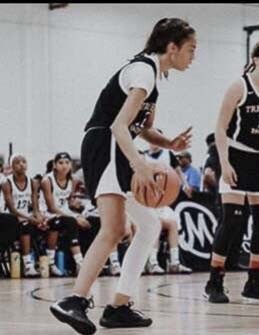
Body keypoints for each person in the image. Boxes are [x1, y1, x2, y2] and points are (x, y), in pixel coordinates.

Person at [49, 18, 196, 334]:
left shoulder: (154, 76)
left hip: (117, 145)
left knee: (149, 224)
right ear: (172, 47)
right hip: (106, 144)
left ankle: (118, 306)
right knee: (115, 228)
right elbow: (118, 126)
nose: (193, 56)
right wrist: (140, 165)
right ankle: (74, 300)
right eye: (190, 49)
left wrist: (169, 143)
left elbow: (140, 128)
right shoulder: (142, 71)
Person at [204, 37, 259, 304]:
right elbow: (220, 128)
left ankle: (255, 280)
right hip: (235, 156)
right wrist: (224, 163)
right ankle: (215, 280)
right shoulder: (238, 86)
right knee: (231, 221)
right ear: (255, 59)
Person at [40, 152, 89, 276]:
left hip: (64, 213)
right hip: (47, 214)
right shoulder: (47, 180)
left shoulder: (73, 180)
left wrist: (76, 209)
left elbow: (68, 202)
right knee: (69, 222)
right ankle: (77, 262)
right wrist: (74, 217)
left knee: (88, 224)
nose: (64, 166)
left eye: (67, 163)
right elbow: (51, 208)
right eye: (61, 163)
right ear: (55, 165)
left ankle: (85, 262)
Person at [2, 154, 45, 278]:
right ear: (12, 166)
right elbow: (12, 209)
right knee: (25, 224)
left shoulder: (33, 182)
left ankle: (49, 262)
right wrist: (30, 218)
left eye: (24, 161)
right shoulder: (6, 182)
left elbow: (35, 207)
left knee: (47, 225)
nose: (21, 164)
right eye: (17, 162)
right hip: (11, 218)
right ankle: (27, 264)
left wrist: (39, 217)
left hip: (27, 217)